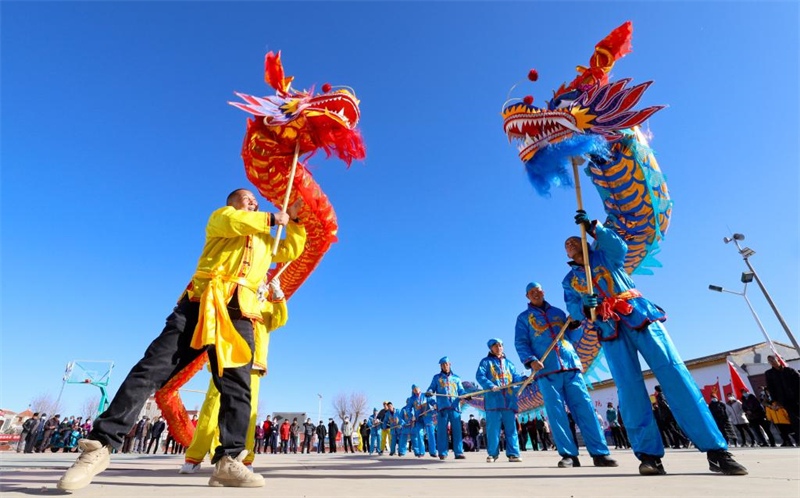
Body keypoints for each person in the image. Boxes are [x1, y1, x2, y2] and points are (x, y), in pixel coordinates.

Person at [56, 189, 306, 490]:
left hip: (242, 311)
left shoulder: (266, 239)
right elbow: (236, 222)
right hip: (201, 303)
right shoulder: (222, 219)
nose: (252, 201)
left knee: (238, 388)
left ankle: (230, 461)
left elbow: (290, 249)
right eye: (245, 198)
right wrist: (270, 217)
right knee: (151, 368)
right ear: (232, 203)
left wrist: (295, 220)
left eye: (255, 200)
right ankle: (99, 446)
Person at [562, 213, 747, 476]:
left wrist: (595, 228)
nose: (570, 244)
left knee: (674, 374)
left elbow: (620, 248)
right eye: (566, 245)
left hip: (637, 313)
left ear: (583, 242)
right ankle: (649, 457)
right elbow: (573, 307)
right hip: (609, 327)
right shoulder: (570, 281)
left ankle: (716, 451)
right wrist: (583, 307)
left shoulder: (604, 255)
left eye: (573, 240)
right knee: (629, 388)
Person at [181, 276, 289, 473]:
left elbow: (279, 320)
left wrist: (278, 295)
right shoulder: (234, 293)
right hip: (227, 359)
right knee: (210, 410)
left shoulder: (267, 307)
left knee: (245, 415)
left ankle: (243, 459)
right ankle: (194, 457)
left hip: (253, 366)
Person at [514, 281, 617, 469]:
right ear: (527, 297)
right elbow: (521, 342)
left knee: (585, 408)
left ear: (543, 292)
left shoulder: (559, 313)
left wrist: (575, 325)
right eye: (531, 292)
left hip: (570, 366)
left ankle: (600, 453)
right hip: (546, 370)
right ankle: (569, 455)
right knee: (556, 412)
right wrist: (530, 360)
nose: (535, 294)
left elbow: (572, 338)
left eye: (538, 291)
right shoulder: (523, 318)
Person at [476, 338, 524, 463]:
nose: (498, 347)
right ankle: (492, 454)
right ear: (491, 348)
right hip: (493, 401)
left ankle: (513, 453)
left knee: (511, 429)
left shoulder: (509, 364)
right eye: (495, 346)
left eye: (500, 345)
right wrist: (490, 385)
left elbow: (516, 377)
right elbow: (480, 376)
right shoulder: (485, 362)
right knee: (493, 429)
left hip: (509, 401)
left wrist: (523, 380)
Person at [426, 357, 467, 460]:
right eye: (442, 365)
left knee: (457, 431)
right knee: (441, 431)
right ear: (440, 366)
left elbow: (461, 391)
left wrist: (466, 395)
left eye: (446, 364)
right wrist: (430, 395)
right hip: (442, 407)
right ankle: (443, 452)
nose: (444, 366)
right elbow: (431, 389)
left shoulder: (457, 378)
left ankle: (459, 452)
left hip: (455, 407)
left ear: (450, 364)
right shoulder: (436, 378)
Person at [764, 355, 800, 438]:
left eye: (772, 360)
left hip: (797, 398)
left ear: (778, 360)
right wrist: (775, 401)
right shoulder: (769, 374)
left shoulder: (789, 370)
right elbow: (771, 388)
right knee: (794, 419)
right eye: (769, 361)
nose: (771, 362)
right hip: (785, 400)